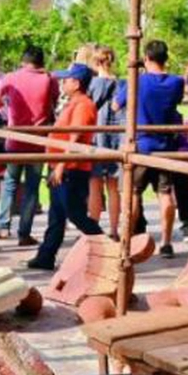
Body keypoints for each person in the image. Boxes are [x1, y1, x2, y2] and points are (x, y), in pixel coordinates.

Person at [117, 39, 188, 258]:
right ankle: (166, 242)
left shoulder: (136, 81)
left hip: (140, 145)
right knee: (165, 194)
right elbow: (180, 88)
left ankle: (128, 241)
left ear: (146, 58)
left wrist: (136, 69)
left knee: (132, 193)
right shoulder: (175, 83)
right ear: (166, 58)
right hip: (164, 146)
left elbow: (116, 104)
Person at [27, 64, 104, 270]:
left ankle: (106, 249)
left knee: (75, 213)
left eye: (67, 79)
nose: (63, 82)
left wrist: (61, 165)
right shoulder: (74, 103)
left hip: (72, 168)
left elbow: (75, 136)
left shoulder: (83, 105)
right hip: (64, 166)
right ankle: (46, 256)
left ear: (76, 83)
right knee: (57, 215)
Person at [0, 46, 58, 246]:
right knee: (32, 188)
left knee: (10, 183)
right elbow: (54, 103)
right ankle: (24, 232)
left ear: (23, 60)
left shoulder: (12, 77)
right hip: (37, 141)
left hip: (14, 138)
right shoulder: (49, 79)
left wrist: (8, 109)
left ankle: (3, 227)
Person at [86, 45, 123, 240]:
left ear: (96, 62)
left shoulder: (93, 84)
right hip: (116, 138)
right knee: (113, 188)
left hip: (97, 138)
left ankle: (93, 227)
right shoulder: (121, 84)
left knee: (95, 186)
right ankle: (115, 229)